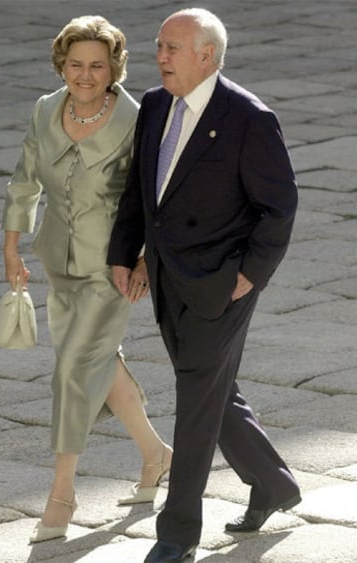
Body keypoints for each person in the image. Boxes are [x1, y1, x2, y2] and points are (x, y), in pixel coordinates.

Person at [108, 7, 301, 563]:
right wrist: (128, 253)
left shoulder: (248, 118)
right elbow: (140, 192)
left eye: (172, 48)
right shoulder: (153, 104)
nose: (160, 56)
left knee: (195, 399)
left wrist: (249, 277)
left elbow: (279, 207)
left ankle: (176, 535)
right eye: (160, 46)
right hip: (168, 279)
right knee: (213, 390)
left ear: (206, 56)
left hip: (224, 285)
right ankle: (275, 484)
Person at [2, 15, 172, 544]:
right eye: (76, 64)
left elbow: (155, 196)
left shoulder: (137, 119)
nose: (85, 74)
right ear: (62, 63)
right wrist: (11, 244)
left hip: (112, 267)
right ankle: (156, 454)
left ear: (114, 67)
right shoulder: (45, 108)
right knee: (96, 362)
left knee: (74, 369)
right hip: (56, 258)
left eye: (98, 65)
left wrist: (145, 259)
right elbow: (26, 180)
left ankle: (62, 493)